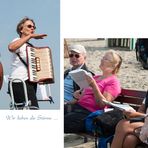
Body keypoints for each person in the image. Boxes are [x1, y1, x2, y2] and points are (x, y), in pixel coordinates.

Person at [64, 50, 122, 133]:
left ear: (114, 65)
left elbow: (102, 104)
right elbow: (84, 95)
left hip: (89, 114)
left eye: (106, 59)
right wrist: (77, 96)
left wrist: (94, 86)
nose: (102, 60)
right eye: (103, 57)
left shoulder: (113, 82)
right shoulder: (96, 77)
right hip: (77, 108)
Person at [8, 17, 47, 109]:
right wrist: (29, 36)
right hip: (19, 81)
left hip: (29, 83)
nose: (32, 28)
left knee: (32, 110)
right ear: (21, 29)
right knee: (31, 110)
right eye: (29, 26)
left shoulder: (30, 46)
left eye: (34, 27)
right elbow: (11, 48)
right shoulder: (16, 40)